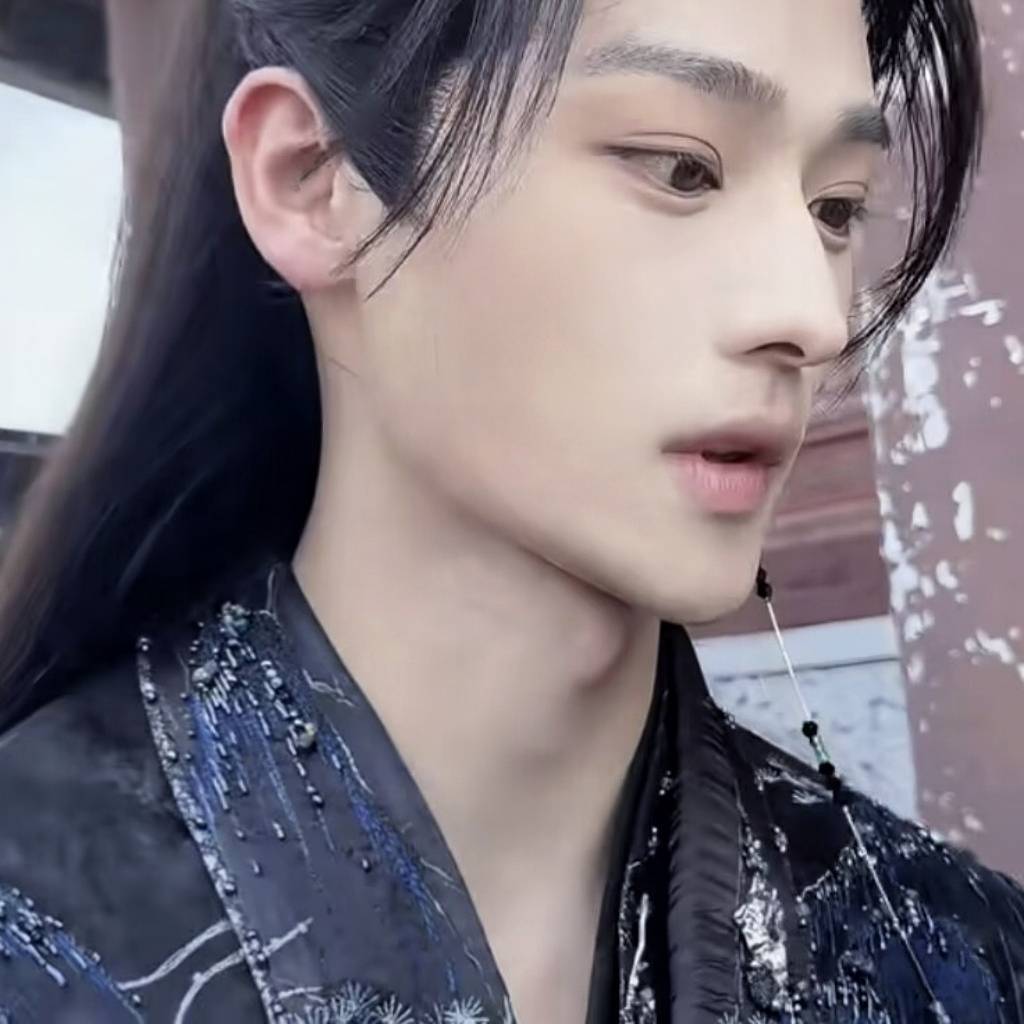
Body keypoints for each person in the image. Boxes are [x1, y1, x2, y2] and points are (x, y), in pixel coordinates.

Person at [0, 0, 1020, 1021]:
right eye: (681, 168)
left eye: (835, 209)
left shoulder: (959, 964)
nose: (812, 316)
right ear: (312, 179)